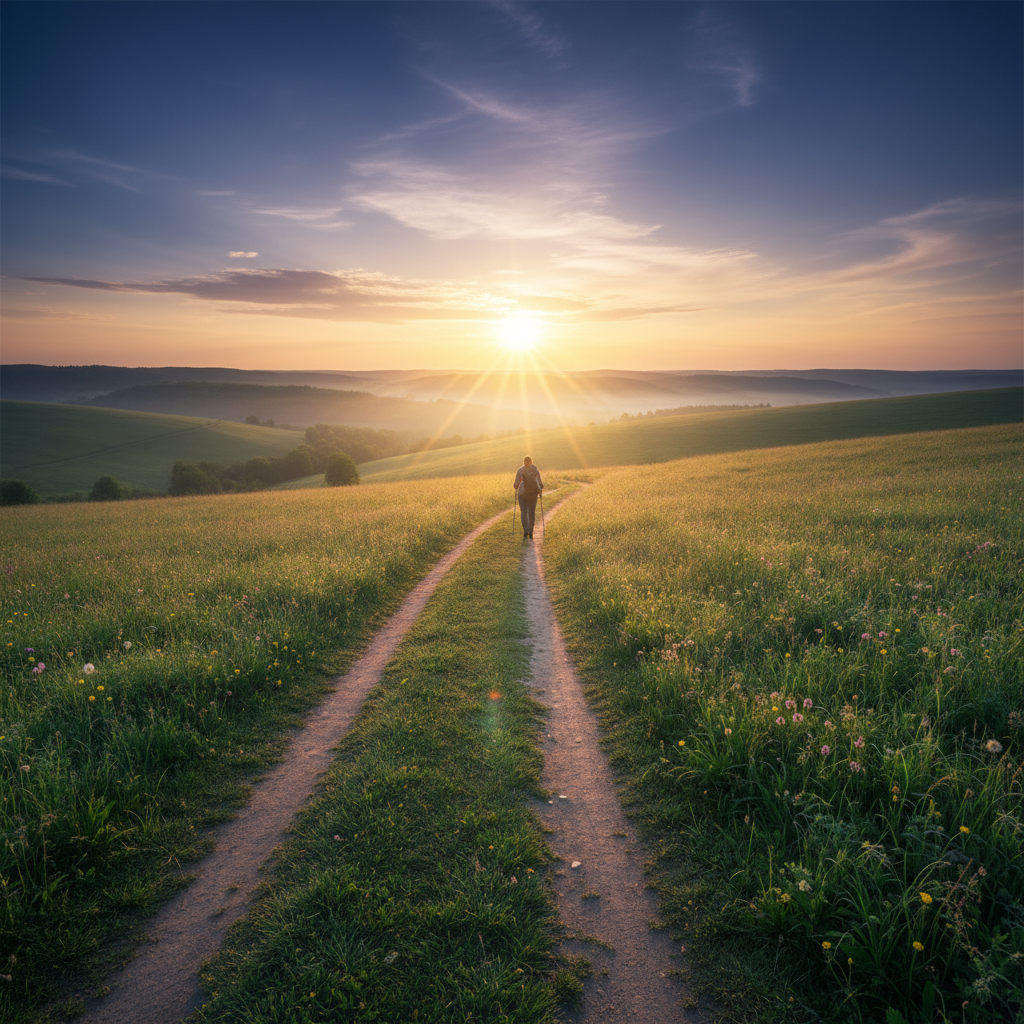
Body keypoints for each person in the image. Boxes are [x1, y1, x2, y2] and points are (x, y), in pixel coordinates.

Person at [513, 456, 543, 539]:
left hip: (522, 494)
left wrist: (516, 487)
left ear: (524, 462)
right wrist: (540, 489)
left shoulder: (520, 470)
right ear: (531, 462)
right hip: (533, 494)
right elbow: (540, 482)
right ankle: (531, 530)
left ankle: (525, 530)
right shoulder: (535, 470)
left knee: (523, 512)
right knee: (531, 513)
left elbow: (516, 484)